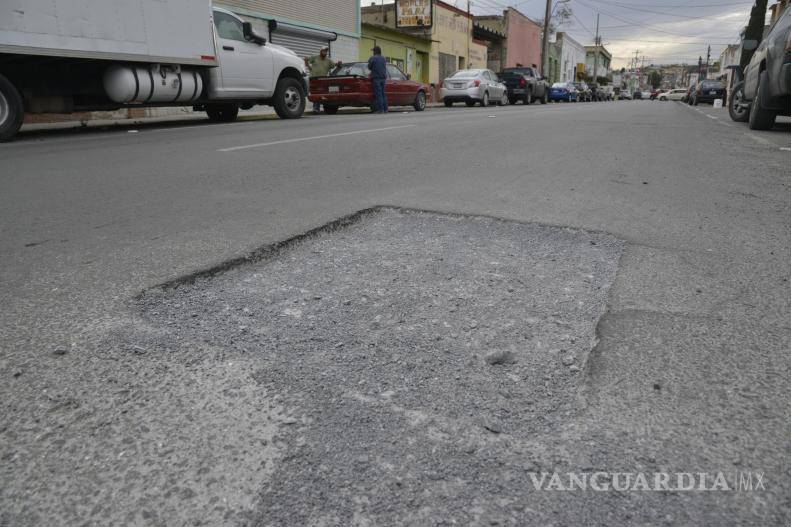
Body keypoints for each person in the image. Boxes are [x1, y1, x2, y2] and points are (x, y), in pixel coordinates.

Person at [304, 46, 340, 113]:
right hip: (314, 79)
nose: (325, 52)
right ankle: (316, 108)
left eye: (326, 51)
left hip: (323, 80)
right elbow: (306, 59)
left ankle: (322, 107)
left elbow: (334, 65)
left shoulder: (328, 60)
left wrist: (338, 64)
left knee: (322, 93)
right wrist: (309, 67)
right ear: (320, 51)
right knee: (315, 93)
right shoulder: (315, 57)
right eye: (324, 51)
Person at [367, 46, 388, 114]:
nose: (373, 52)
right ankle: (385, 109)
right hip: (383, 78)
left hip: (376, 79)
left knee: (378, 94)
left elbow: (369, 67)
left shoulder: (373, 58)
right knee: (383, 94)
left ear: (375, 51)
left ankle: (380, 110)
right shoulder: (384, 58)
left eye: (373, 51)